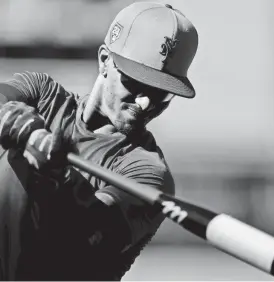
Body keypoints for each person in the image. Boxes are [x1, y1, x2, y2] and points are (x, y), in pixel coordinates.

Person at [0, 2, 198, 280]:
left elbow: (85, 245)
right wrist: (22, 124)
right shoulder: (42, 94)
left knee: (17, 166)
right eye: (137, 83)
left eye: (162, 94)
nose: (144, 102)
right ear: (105, 60)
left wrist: (57, 178)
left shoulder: (148, 173)